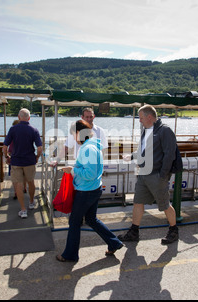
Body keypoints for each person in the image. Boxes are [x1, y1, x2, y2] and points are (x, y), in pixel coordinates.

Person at [56, 120, 123, 262]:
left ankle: (70, 254)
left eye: (74, 135)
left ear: (79, 133)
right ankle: (114, 242)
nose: (74, 138)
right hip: (94, 188)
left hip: (85, 191)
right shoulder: (94, 146)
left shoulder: (87, 149)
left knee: (74, 222)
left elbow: (89, 173)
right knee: (91, 219)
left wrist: (72, 170)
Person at [118, 105, 179, 244]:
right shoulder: (146, 130)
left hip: (157, 175)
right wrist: (132, 156)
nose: (139, 121)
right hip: (143, 173)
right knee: (138, 202)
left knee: (164, 205)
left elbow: (170, 154)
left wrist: (163, 175)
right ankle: (134, 232)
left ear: (149, 117)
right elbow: (143, 151)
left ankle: (173, 230)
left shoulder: (165, 131)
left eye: (141, 118)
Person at [2, 108, 42, 218]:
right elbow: (39, 148)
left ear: (19, 117)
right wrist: (37, 157)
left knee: (18, 185)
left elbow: (5, 147)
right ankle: (32, 201)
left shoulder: (13, 129)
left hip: (16, 162)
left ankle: (23, 210)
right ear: (29, 118)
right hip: (29, 161)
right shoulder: (34, 130)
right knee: (30, 182)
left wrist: (7, 157)